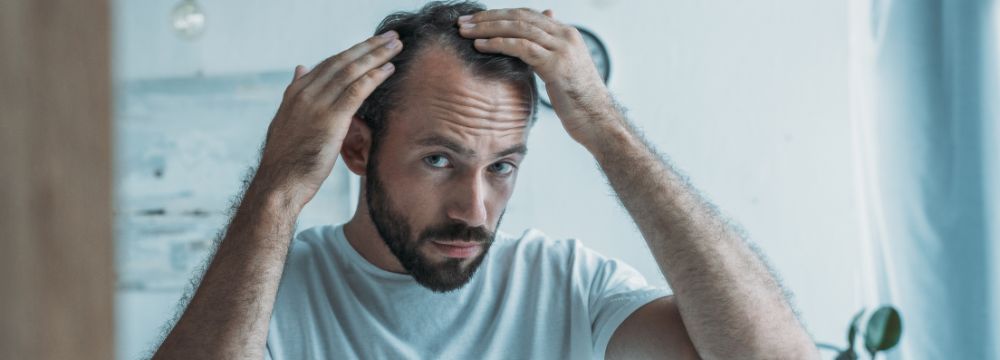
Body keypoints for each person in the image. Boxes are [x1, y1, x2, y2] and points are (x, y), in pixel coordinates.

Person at [153, 1, 818, 359]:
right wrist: (278, 188)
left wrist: (607, 132)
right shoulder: (269, 291)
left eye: (502, 166)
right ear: (358, 148)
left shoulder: (566, 286)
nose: (475, 209)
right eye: (438, 160)